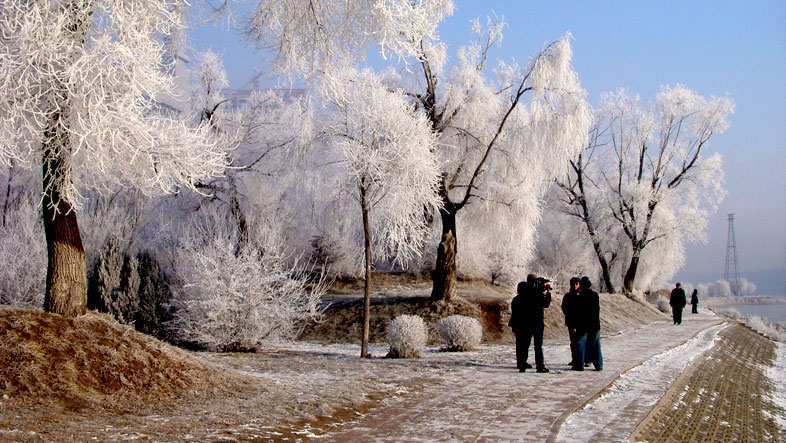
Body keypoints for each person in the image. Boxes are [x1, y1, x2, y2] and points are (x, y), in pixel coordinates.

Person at [509, 273, 552, 373]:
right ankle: (540, 366)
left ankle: (522, 365)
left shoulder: (521, 295)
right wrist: (548, 293)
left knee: (524, 344)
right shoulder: (537, 293)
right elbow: (546, 304)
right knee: (538, 346)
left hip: (526, 323)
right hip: (537, 323)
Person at [580, 276, 603, 371]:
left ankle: (585, 362)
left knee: (583, 344)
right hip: (595, 324)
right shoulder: (595, 295)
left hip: (585, 324)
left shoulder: (581, 296)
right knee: (596, 345)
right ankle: (599, 365)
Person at [562, 277, 581, 370]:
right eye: (573, 284)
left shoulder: (581, 295)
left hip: (581, 323)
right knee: (574, 342)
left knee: (580, 342)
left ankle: (581, 360)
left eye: (576, 283)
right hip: (571, 322)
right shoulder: (568, 296)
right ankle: (575, 359)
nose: (575, 286)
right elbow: (565, 309)